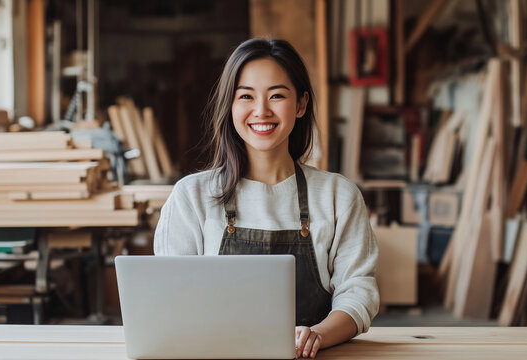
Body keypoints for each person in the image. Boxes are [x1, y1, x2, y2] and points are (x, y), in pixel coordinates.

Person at [154, 38, 379, 359]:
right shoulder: (191, 197)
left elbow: (359, 292)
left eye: (276, 95)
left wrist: (315, 336)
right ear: (229, 106)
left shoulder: (338, 196)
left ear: (301, 105)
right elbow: (170, 299)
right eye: (246, 96)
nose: (261, 111)